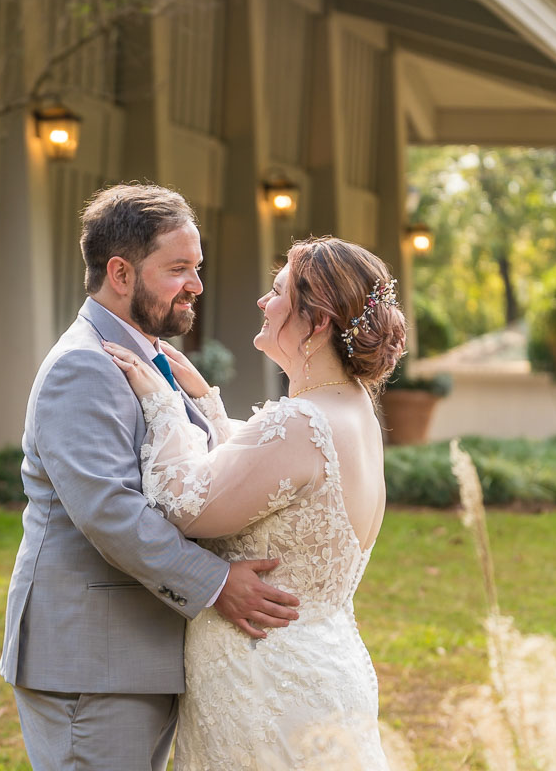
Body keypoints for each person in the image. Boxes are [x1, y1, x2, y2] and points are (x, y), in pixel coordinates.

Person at [0, 183, 300, 771]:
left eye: (198, 267)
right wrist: (217, 582)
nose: (197, 285)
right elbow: (109, 511)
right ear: (120, 272)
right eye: (178, 269)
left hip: (135, 650)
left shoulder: (149, 357)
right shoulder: (84, 365)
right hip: (91, 662)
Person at [103, 236, 406, 770]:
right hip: (322, 665)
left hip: (266, 684)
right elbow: (266, 481)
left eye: (278, 291)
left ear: (316, 322)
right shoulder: (353, 409)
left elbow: (184, 502)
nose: (264, 302)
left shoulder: (301, 422)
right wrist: (204, 403)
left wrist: (162, 403)